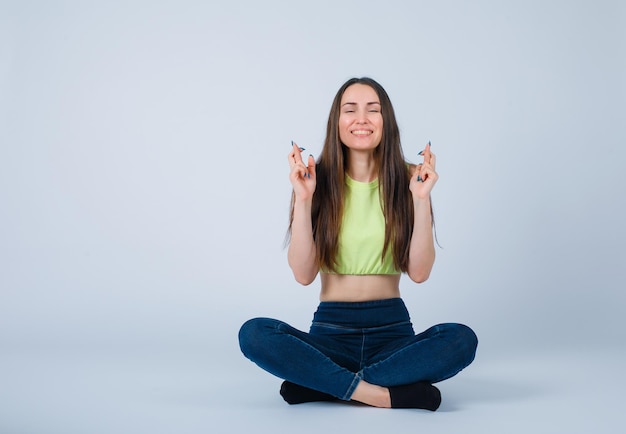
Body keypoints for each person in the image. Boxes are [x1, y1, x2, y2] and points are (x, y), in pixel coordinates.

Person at [238, 77, 477, 410]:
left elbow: (420, 272)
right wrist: (304, 199)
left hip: (392, 332)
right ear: (337, 122)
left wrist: (421, 200)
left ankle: (323, 383)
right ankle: (380, 394)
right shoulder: (313, 181)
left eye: (373, 110)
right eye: (350, 110)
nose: (362, 119)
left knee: (461, 339)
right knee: (254, 333)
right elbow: (304, 275)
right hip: (330, 332)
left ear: (386, 122)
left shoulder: (413, 179)